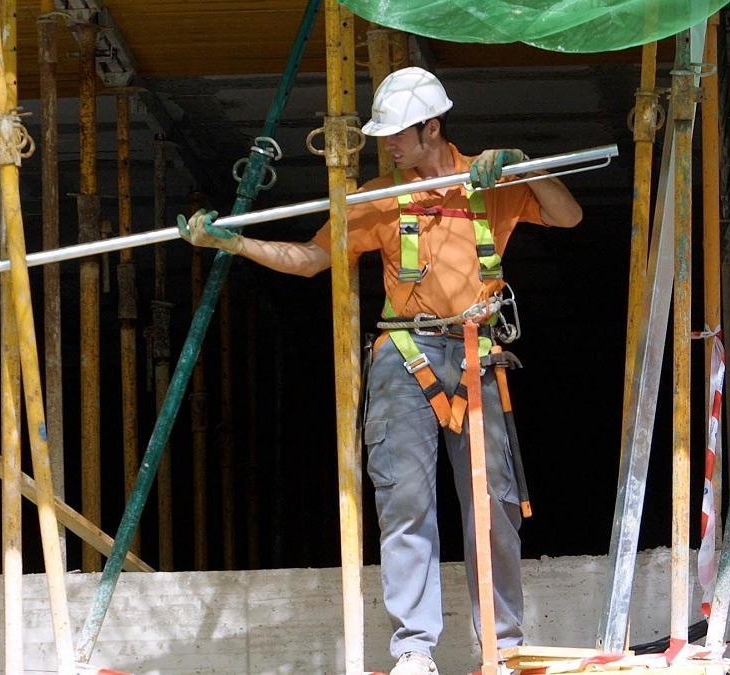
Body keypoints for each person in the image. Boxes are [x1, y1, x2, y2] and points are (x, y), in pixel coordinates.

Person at [177, 67, 582, 674]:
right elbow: (313, 258)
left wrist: (524, 165)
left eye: (398, 134)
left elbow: (569, 215)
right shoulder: (380, 198)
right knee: (406, 502)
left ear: (433, 127)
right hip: (406, 357)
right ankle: (415, 650)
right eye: (384, 134)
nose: (387, 145)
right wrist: (234, 245)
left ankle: (502, 645)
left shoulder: (489, 182)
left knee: (491, 503)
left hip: (478, 354)